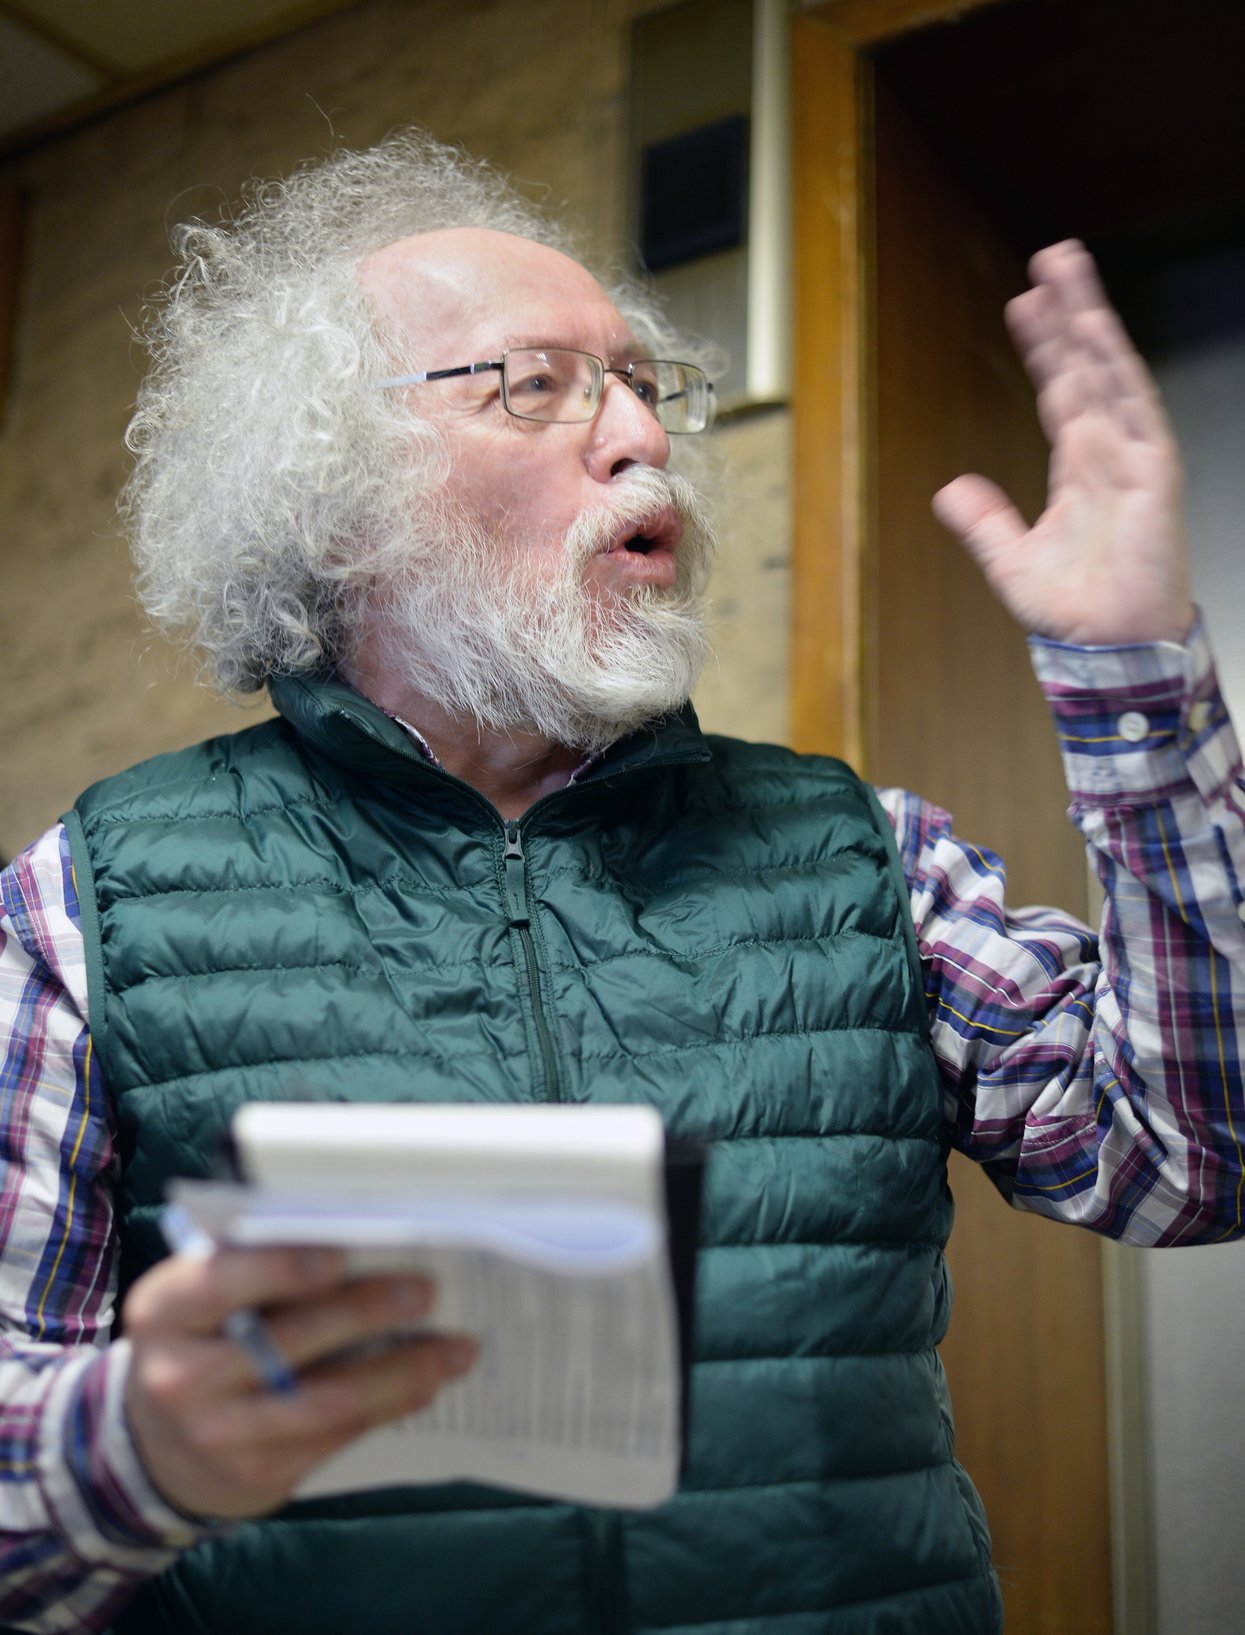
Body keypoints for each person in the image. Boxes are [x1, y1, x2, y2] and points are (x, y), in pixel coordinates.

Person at [0, 128, 1241, 1635]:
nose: (641, 434)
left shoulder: (864, 858)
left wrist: (1135, 686)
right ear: (334, 499)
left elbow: (1191, 1159)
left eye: (644, 382)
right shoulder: (92, 904)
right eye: (537, 385)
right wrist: (138, 1446)